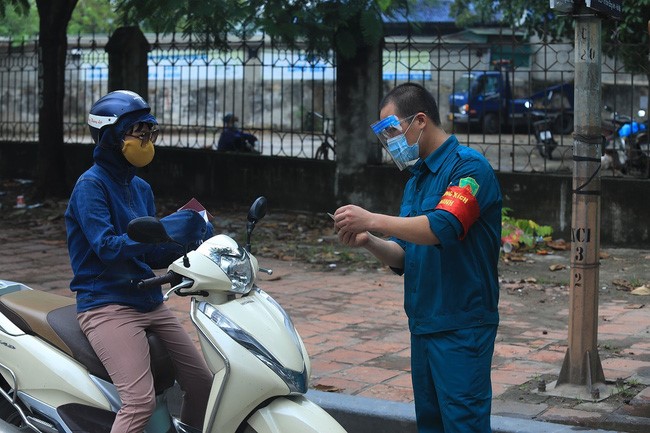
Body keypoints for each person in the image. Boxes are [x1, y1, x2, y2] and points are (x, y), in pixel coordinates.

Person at [333, 83, 502, 433]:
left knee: (463, 425)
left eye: (392, 131)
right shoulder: (417, 179)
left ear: (420, 120)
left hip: (461, 326)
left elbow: (442, 226)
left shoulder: (469, 169)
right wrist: (369, 240)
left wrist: (373, 218)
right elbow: (404, 256)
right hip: (424, 325)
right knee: (432, 425)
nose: (389, 142)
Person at [65, 90, 214, 433]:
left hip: (148, 301)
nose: (146, 141)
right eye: (138, 133)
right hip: (105, 304)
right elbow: (108, 248)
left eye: (150, 133)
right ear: (110, 137)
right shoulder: (90, 186)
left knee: (204, 383)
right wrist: (163, 228)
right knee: (139, 401)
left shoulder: (140, 188)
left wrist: (187, 239)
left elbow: (148, 253)